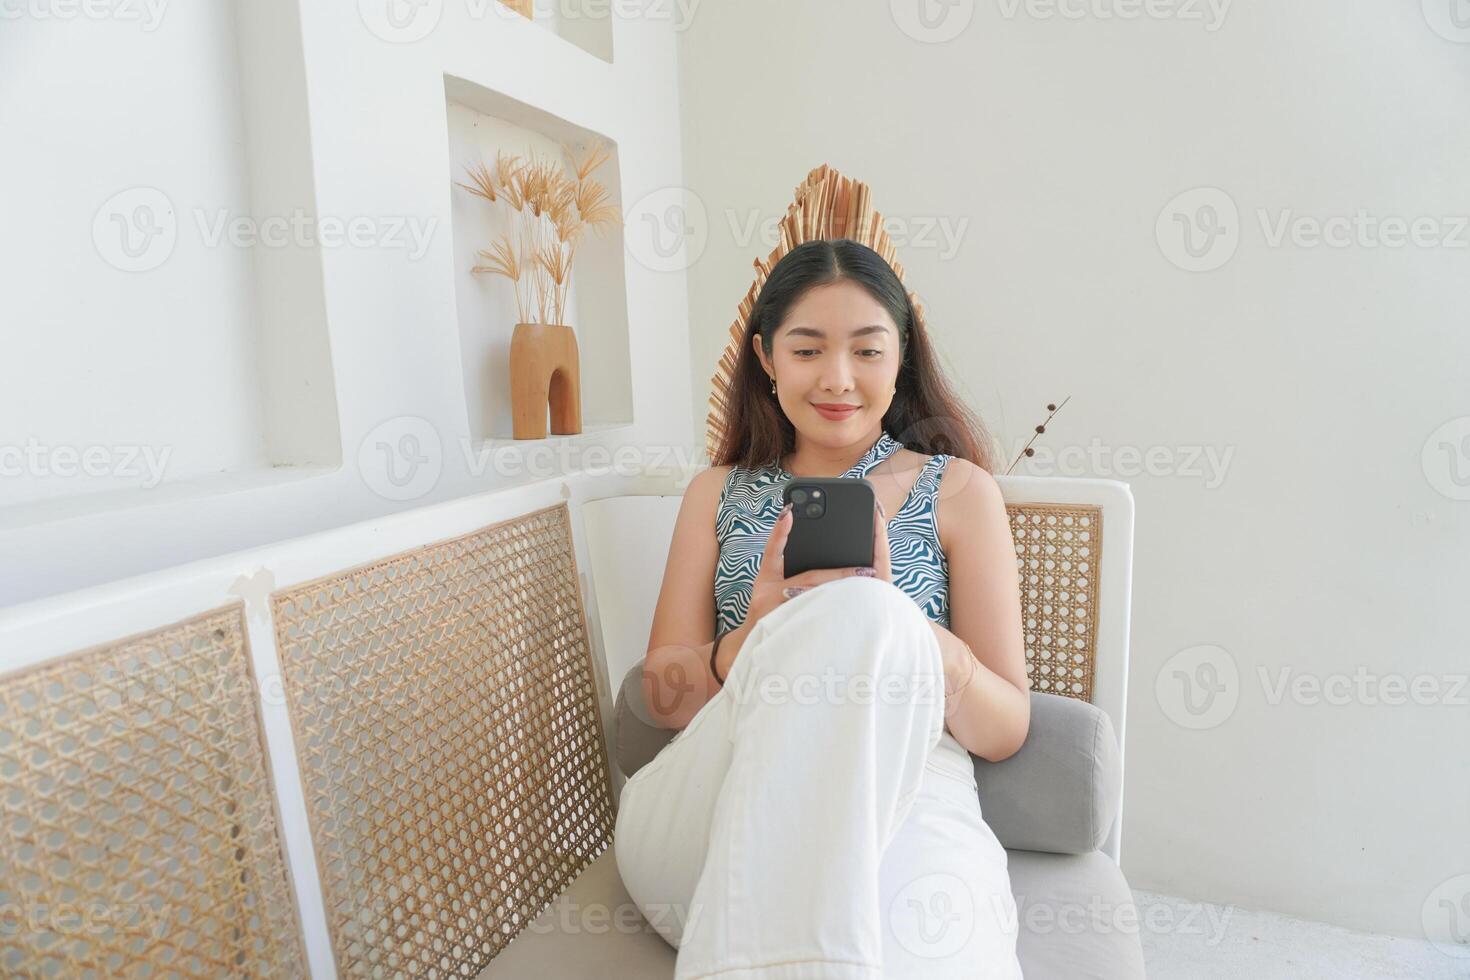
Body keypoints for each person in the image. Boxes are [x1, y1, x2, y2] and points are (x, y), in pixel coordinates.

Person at [614, 238, 1031, 979]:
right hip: (715, 787)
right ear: (767, 358)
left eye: (867, 352)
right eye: (807, 351)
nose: (838, 379)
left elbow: (1004, 730)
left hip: (907, 779)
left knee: (937, 951)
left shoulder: (961, 491)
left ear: (901, 356)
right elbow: (662, 697)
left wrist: (903, 635)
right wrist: (757, 639)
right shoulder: (716, 492)